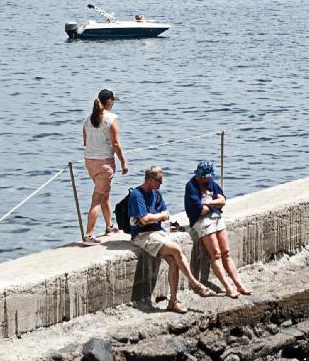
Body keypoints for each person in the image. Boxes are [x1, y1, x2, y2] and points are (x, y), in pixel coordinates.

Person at [123, 165, 215, 311]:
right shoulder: (137, 195)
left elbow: (166, 213)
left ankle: (173, 301)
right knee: (176, 249)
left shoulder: (156, 194)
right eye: (159, 181)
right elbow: (144, 219)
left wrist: (155, 217)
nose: (161, 184)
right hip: (142, 235)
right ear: (150, 180)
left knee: (173, 260)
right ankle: (194, 284)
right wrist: (157, 217)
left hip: (157, 233)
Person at [185, 161, 249, 298]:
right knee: (216, 254)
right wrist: (216, 204)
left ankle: (239, 284)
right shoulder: (191, 187)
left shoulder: (211, 183)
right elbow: (199, 210)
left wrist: (209, 203)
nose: (209, 179)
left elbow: (223, 200)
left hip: (216, 218)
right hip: (202, 221)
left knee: (226, 252)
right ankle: (227, 287)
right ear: (200, 176)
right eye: (207, 177)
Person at [80, 89, 127, 245]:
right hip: (105, 163)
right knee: (97, 199)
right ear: (109, 102)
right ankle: (88, 234)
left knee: (104, 193)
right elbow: (115, 144)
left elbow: (85, 142)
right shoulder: (111, 118)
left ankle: (109, 226)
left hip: (90, 161)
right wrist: (123, 162)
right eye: (113, 101)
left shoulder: (88, 119)